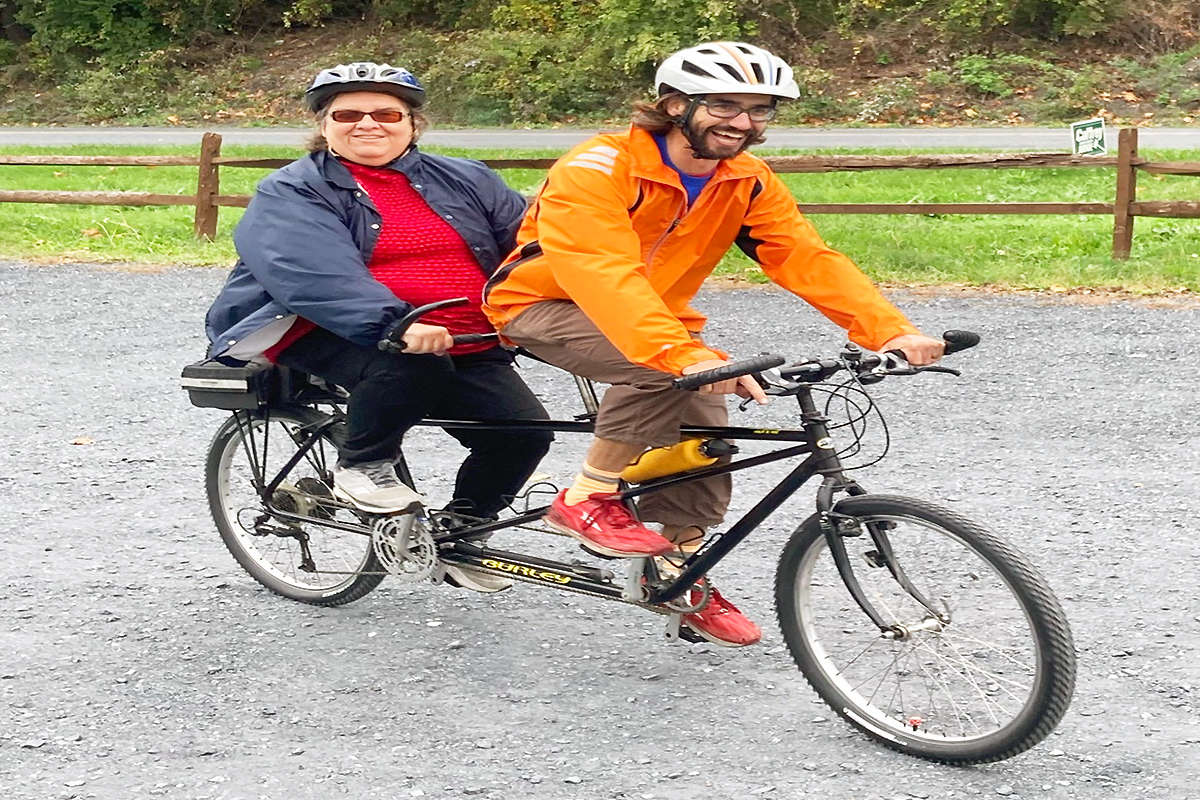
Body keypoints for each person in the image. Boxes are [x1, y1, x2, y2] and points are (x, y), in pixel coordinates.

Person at [483, 42, 945, 644]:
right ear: (675, 104)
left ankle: (676, 570)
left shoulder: (747, 181)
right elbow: (601, 271)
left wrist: (891, 330)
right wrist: (682, 355)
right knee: (667, 371)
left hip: (659, 317)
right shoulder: (598, 167)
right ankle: (588, 495)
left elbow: (805, 258)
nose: (743, 122)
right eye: (725, 104)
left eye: (760, 110)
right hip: (544, 305)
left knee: (707, 426)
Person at [205, 61, 553, 593]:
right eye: (347, 113)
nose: (368, 123)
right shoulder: (292, 190)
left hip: (459, 333)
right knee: (408, 367)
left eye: (387, 112)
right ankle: (363, 464)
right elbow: (312, 271)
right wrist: (393, 324)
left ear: (413, 123)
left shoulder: (468, 178)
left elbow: (531, 245)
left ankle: (460, 535)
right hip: (323, 325)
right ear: (324, 125)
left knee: (520, 434)